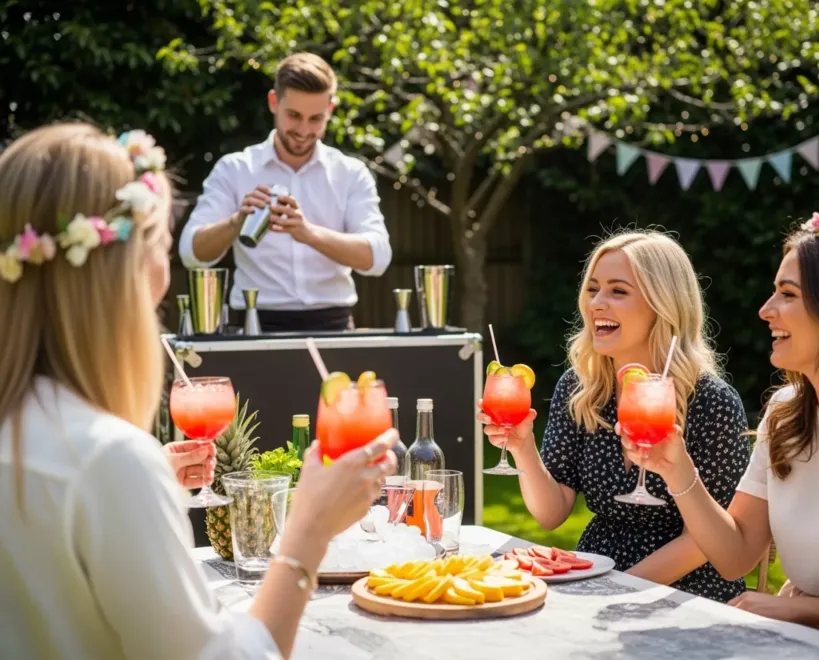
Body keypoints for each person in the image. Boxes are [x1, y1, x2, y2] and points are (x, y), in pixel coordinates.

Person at [0, 122, 400, 659]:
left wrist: (144, 485)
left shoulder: (56, 447)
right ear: (129, 272)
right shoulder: (107, 460)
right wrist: (308, 533)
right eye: (162, 248)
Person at [623, 213, 819, 645]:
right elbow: (735, 555)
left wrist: (803, 608)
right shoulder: (784, 415)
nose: (765, 310)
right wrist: (678, 470)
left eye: (787, 294)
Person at [480, 231, 751, 603]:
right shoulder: (581, 388)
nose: (596, 304)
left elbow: (704, 544)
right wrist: (522, 447)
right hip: (596, 574)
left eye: (618, 291)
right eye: (592, 290)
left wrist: (615, 590)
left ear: (663, 304)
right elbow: (550, 514)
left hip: (686, 593)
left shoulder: (713, 401)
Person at [178, 51, 392, 332]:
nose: (304, 130)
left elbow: (378, 258)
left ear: (330, 110)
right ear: (273, 102)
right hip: (253, 325)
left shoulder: (350, 173)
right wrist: (235, 222)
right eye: (294, 115)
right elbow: (191, 254)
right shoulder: (235, 169)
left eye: (316, 118)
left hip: (334, 325)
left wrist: (308, 233)